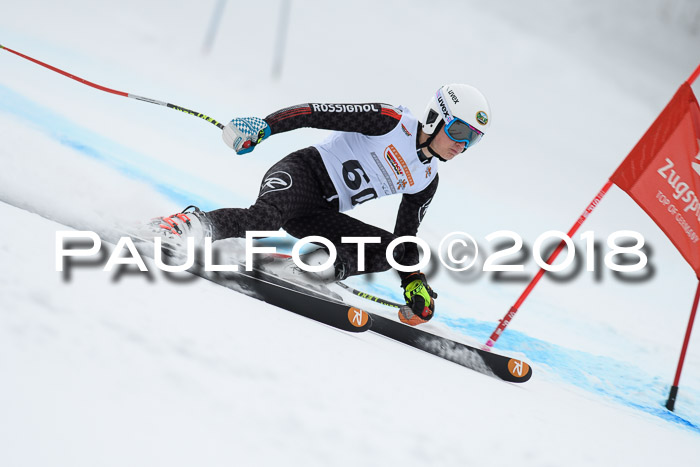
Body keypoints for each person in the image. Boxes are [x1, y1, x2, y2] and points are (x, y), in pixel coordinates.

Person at [152, 83, 491, 326]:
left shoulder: (427, 178)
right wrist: (266, 126)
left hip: (320, 213)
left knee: (389, 250)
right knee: (264, 220)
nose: (462, 144)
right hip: (303, 174)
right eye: (459, 130)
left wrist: (414, 281)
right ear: (437, 117)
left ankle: (308, 271)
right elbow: (315, 113)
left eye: (472, 139)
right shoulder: (390, 121)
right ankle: (187, 225)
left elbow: (405, 239)